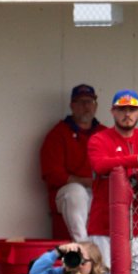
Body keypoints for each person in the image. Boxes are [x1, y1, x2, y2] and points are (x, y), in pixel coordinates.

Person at [86, 89, 138, 274]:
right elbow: (100, 165)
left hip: (136, 227)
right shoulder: (100, 139)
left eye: (132, 109)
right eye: (122, 109)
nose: (127, 114)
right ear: (113, 112)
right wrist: (135, 160)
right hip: (104, 226)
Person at [40, 84, 103, 242]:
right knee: (76, 192)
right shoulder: (58, 134)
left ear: (95, 106)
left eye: (90, 102)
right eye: (81, 102)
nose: (86, 106)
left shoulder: (105, 134)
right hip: (67, 195)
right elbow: (53, 175)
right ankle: (83, 245)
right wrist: (86, 182)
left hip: (97, 191)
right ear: (72, 106)